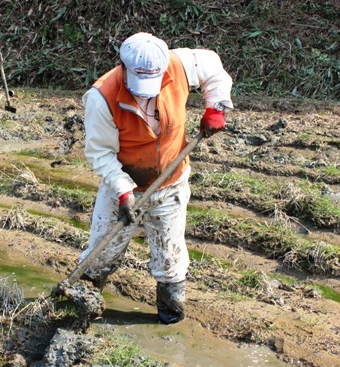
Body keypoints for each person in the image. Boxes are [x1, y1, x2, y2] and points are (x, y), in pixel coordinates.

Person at [80, 32, 234, 324]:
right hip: (122, 185)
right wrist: (125, 192)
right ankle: (84, 303)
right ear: (122, 68)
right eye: (139, 86)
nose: (146, 93)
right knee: (100, 255)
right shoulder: (101, 98)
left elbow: (213, 67)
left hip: (170, 182)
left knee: (170, 257)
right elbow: (100, 154)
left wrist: (216, 106)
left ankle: (170, 316)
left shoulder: (178, 64)